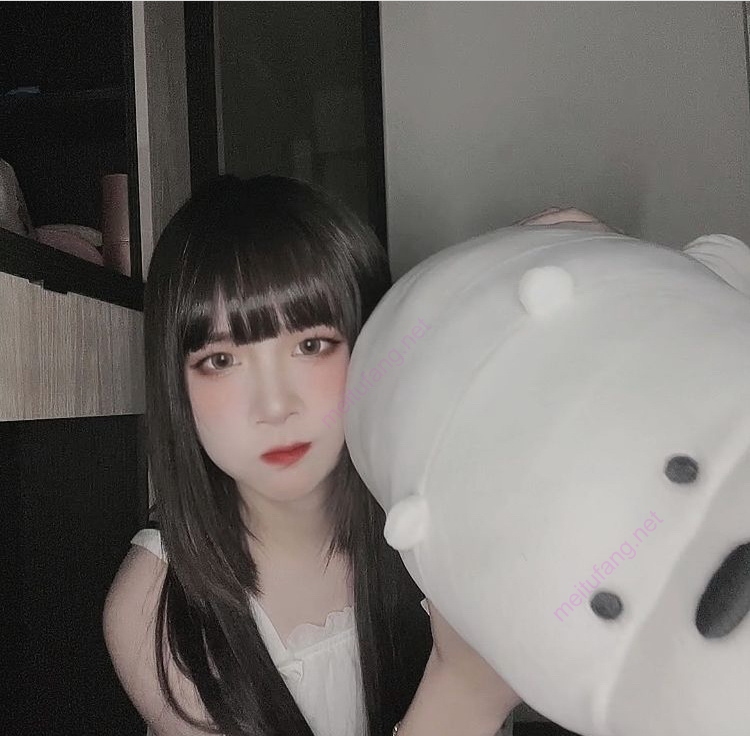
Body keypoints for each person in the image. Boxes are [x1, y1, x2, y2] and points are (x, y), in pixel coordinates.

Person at [103, 175, 518, 736]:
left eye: (310, 345)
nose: (275, 407)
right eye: (221, 361)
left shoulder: (427, 510)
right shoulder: (155, 609)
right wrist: (464, 695)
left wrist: (556, 266)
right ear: (176, 382)